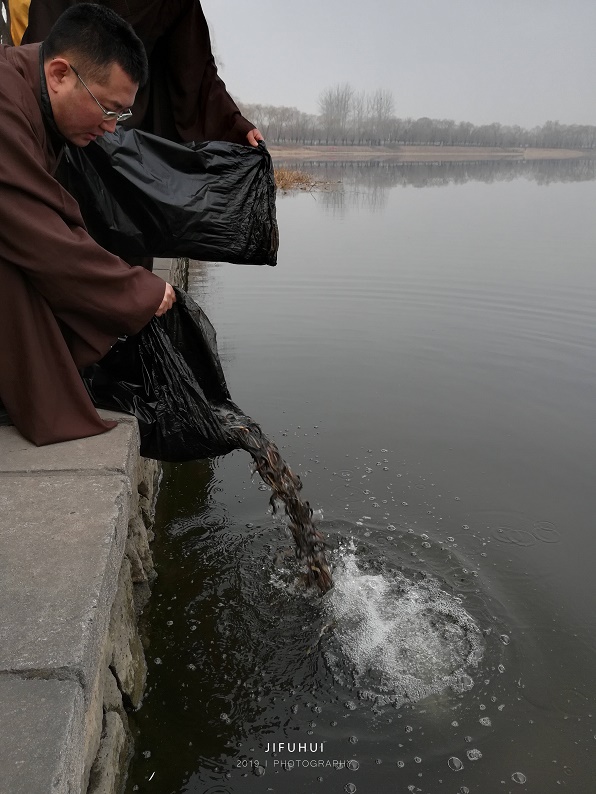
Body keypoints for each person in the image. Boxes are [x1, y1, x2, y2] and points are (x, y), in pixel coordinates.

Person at [0, 3, 176, 446]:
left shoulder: (27, 92)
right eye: (109, 109)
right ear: (60, 74)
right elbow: (36, 234)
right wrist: (138, 291)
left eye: (122, 116)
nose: (113, 129)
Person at [17, 0, 264, 147]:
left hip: (138, 113)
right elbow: (46, 51)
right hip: (75, 102)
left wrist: (231, 125)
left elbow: (195, 68)